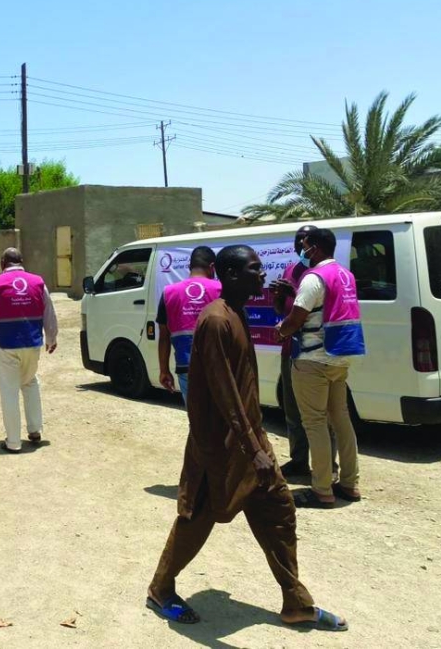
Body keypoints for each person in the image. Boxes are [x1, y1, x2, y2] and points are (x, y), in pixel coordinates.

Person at [146, 245, 347, 632]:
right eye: (256, 270)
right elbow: (224, 391)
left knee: (279, 511)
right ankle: (160, 588)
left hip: (249, 441)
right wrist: (254, 448)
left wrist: (257, 443)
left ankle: (296, 602)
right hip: (217, 447)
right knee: (196, 518)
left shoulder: (236, 312)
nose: (262, 275)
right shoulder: (216, 321)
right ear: (232, 275)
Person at [276, 228, 363, 509]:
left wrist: (281, 329)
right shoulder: (345, 275)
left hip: (312, 360)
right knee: (341, 421)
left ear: (314, 248)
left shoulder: (313, 278)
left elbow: (295, 320)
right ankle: (349, 484)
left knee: (314, 423)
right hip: (340, 358)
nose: (301, 249)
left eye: (304, 245)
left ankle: (322, 489)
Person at [0, 248, 58, 453]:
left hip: (5, 344)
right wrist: (51, 338)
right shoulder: (38, 282)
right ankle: (35, 430)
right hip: (32, 343)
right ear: (22, 261)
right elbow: (49, 310)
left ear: (2, 263)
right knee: (29, 382)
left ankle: (14, 442)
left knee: (9, 390)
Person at [271, 225, 336, 479]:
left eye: (305, 241)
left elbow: (316, 308)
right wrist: (279, 296)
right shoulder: (291, 269)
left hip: (316, 352)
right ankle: (299, 460)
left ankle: (329, 468)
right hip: (290, 350)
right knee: (292, 410)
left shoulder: (323, 272)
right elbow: (283, 311)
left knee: (322, 415)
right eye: (298, 240)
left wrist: (294, 293)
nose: (302, 245)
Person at [157, 246, 220, 404]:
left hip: (186, 366)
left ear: (189, 267)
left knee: (196, 418)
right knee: (220, 420)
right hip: (218, 366)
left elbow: (164, 337)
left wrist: (164, 370)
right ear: (212, 267)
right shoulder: (221, 289)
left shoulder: (168, 293)